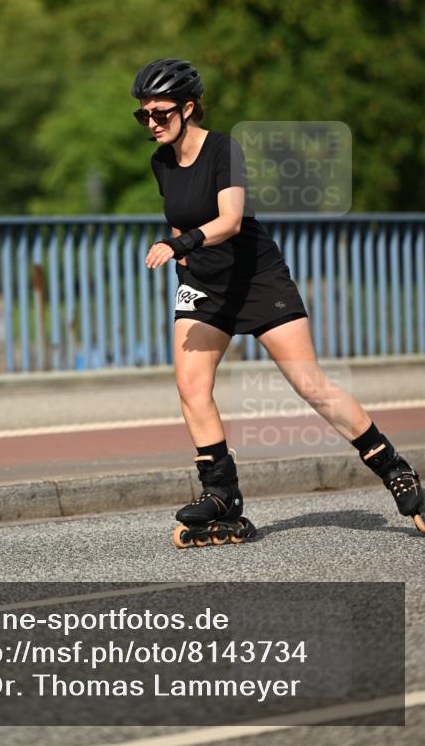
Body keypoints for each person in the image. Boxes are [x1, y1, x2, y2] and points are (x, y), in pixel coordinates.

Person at [131, 58, 425, 546]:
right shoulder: (160, 162)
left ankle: (400, 476)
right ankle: (221, 493)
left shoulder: (225, 150)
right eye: (143, 115)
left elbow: (230, 221)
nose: (152, 122)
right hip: (206, 283)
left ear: (188, 108)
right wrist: (184, 256)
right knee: (190, 385)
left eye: (160, 112)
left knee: (310, 384)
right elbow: (181, 217)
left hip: (256, 278)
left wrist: (179, 246)